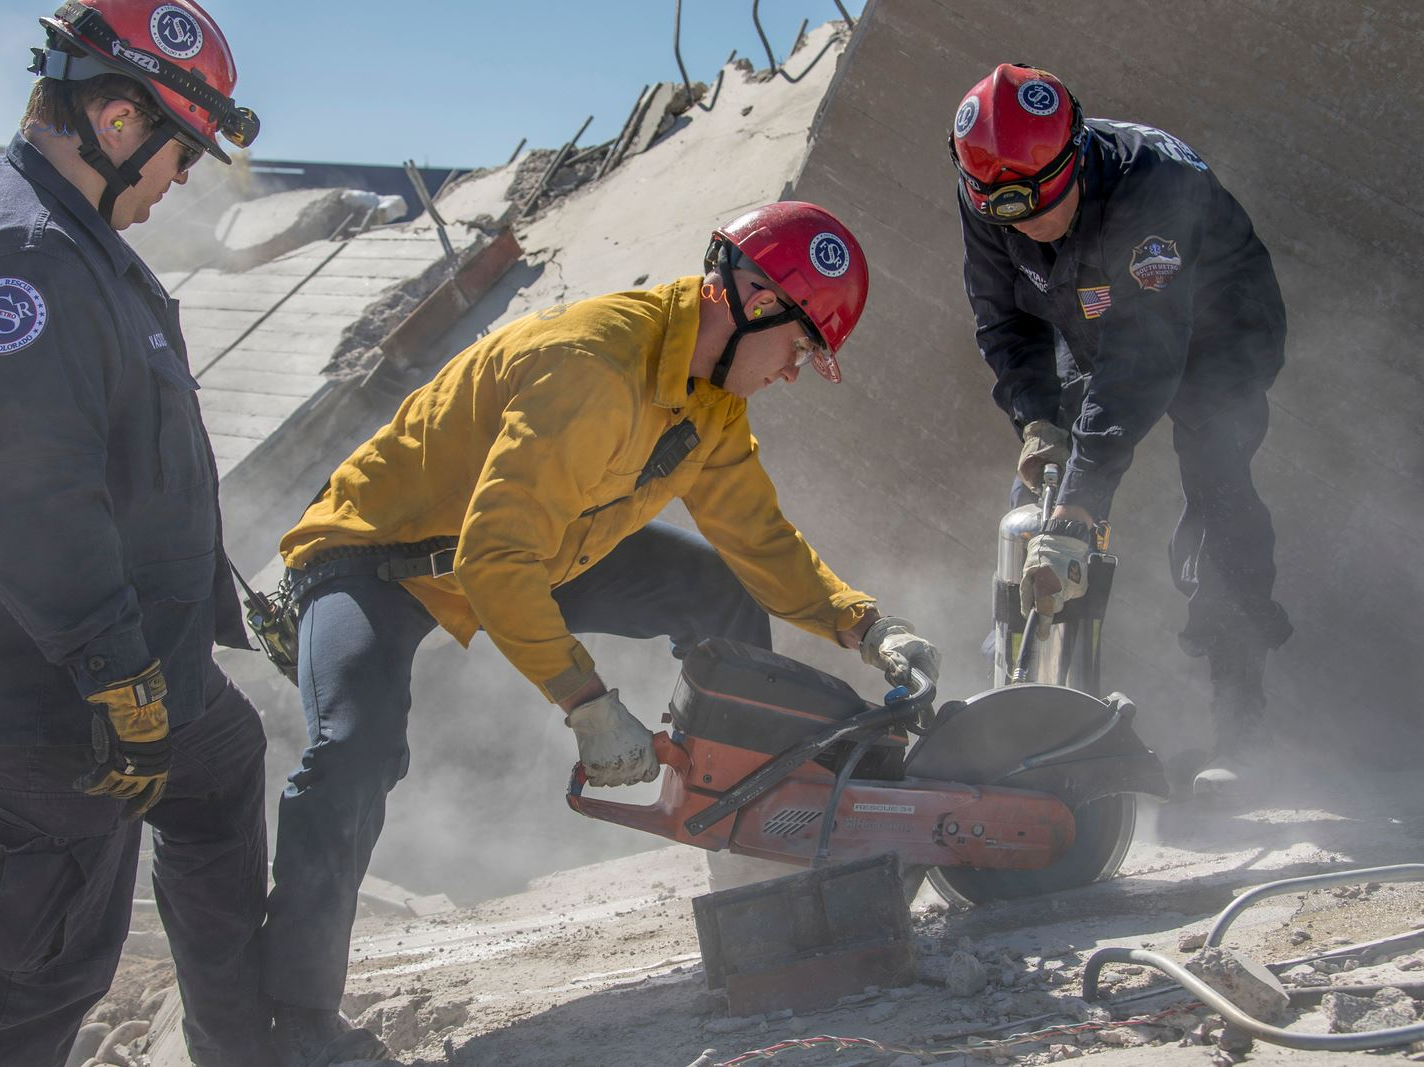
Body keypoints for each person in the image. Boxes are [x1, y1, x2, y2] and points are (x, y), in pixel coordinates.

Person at [258, 201, 940, 1066]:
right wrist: (586, 701)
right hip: (377, 559)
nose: (798, 371)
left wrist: (867, 624)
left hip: (543, 542)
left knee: (717, 590)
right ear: (754, 299)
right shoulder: (592, 370)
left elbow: (760, 540)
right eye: (802, 346)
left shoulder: (712, 403)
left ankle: (751, 856)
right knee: (355, 749)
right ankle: (294, 1021)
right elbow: (493, 559)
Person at [0, 2, 272, 1063]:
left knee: (223, 767)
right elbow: (29, 491)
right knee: (31, 970)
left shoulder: (77, 240)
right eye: (179, 153)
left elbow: (132, 456)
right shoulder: (24, 252)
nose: (181, 179)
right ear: (116, 121)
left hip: (137, 669)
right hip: (47, 697)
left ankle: (246, 1046)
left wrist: (212, 602)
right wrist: (114, 672)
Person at [947, 63, 1293, 799]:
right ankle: (1020, 718)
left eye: (1044, 204)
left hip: (1215, 328)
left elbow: (1145, 355)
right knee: (1032, 508)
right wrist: (1038, 423)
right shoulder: (988, 192)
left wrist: (1083, 502)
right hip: (1095, 313)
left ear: (1077, 153)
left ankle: (1242, 729)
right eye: (1006, 214)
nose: (1029, 226)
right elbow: (1002, 320)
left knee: (1217, 489)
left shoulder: (1152, 181)